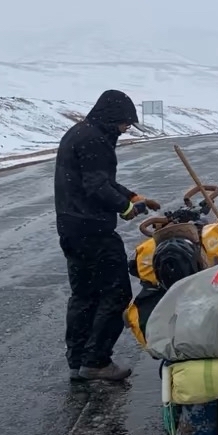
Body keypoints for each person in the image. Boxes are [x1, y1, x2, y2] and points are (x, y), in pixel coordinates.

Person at [55, 90, 160, 382]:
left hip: (71, 227)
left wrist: (132, 196)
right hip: (94, 231)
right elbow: (96, 186)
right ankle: (97, 361)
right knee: (116, 293)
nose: (125, 129)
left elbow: (101, 180)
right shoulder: (95, 139)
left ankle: (78, 361)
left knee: (84, 295)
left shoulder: (79, 133)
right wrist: (126, 208)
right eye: (125, 123)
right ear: (112, 117)